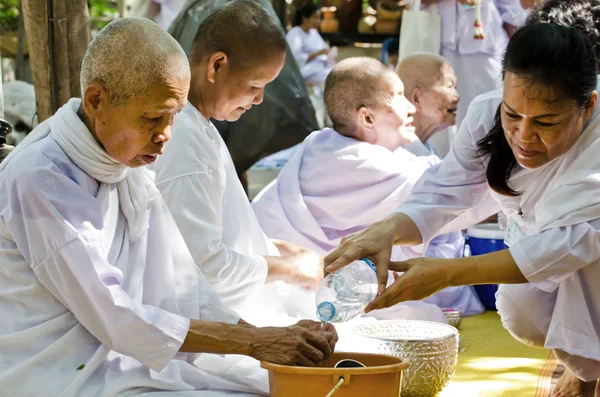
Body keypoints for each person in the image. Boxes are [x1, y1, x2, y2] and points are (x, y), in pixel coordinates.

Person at [0, 17, 337, 397]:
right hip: (54, 373)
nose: (165, 137)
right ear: (96, 101)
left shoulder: (126, 162)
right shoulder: (41, 178)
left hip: (123, 358)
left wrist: (266, 338)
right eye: (151, 118)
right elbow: (113, 312)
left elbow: (185, 288)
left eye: (174, 116)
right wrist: (255, 342)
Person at [325, 23, 600, 397]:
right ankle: (582, 364)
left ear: (589, 106)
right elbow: (447, 188)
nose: (523, 136)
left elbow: (568, 243)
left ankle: (586, 372)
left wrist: (448, 274)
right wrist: (387, 229)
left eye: (546, 122)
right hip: (537, 242)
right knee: (521, 311)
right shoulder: (486, 113)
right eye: (513, 115)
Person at [252, 57, 483, 318]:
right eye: (398, 97)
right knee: (424, 317)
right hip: (297, 290)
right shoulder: (370, 166)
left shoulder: (322, 143)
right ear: (367, 117)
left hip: (285, 287)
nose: (410, 108)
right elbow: (459, 195)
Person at [152, 0, 325, 320]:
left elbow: (219, 230)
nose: (259, 99)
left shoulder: (198, 123)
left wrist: (276, 249)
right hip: (217, 327)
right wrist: (287, 268)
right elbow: (205, 269)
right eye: (255, 86)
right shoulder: (181, 140)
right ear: (217, 65)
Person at [397, 52, 459, 154]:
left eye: (455, 87)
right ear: (417, 98)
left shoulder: (429, 150)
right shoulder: (395, 155)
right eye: (449, 86)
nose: (457, 96)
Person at [286, 3, 337, 87]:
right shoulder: (295, 33)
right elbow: (294, 58)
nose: (318, 21)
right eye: (315, 17)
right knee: (331, 77)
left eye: (319, 18)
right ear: (305, 18)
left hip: (318, 67)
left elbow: (324, 48)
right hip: (303, 71)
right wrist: (317, 54)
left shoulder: (313, 32)